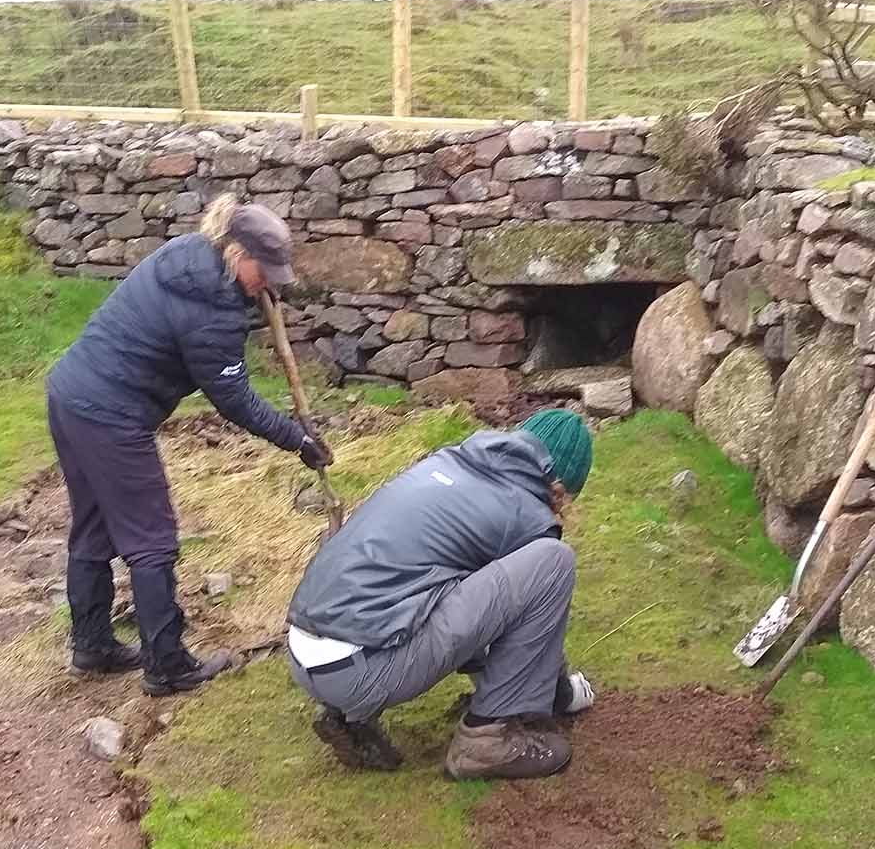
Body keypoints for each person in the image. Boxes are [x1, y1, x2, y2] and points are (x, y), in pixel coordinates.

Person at [46, 195, 333, 697]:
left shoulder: (190, 256)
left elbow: (220, 315)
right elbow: (235, 400)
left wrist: (253, 299)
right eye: (262, 271)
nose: (268, 282)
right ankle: (168, 665)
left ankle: (92, 645)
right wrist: (298, 439)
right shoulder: (212, 313)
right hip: (111, 415)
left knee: (93, 528)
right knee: (151, 540)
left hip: (71, 394)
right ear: (236, 252)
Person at [285, 408, 598, 780]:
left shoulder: (451, 463)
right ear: (560, 488)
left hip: (305, 652)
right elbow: (529, 621)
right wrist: (561, 695)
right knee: (553, 563)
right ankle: (486, 742)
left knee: (451, 579)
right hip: (361, 669)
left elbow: (483, 604)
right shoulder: (526, 513)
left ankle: (348, 713)